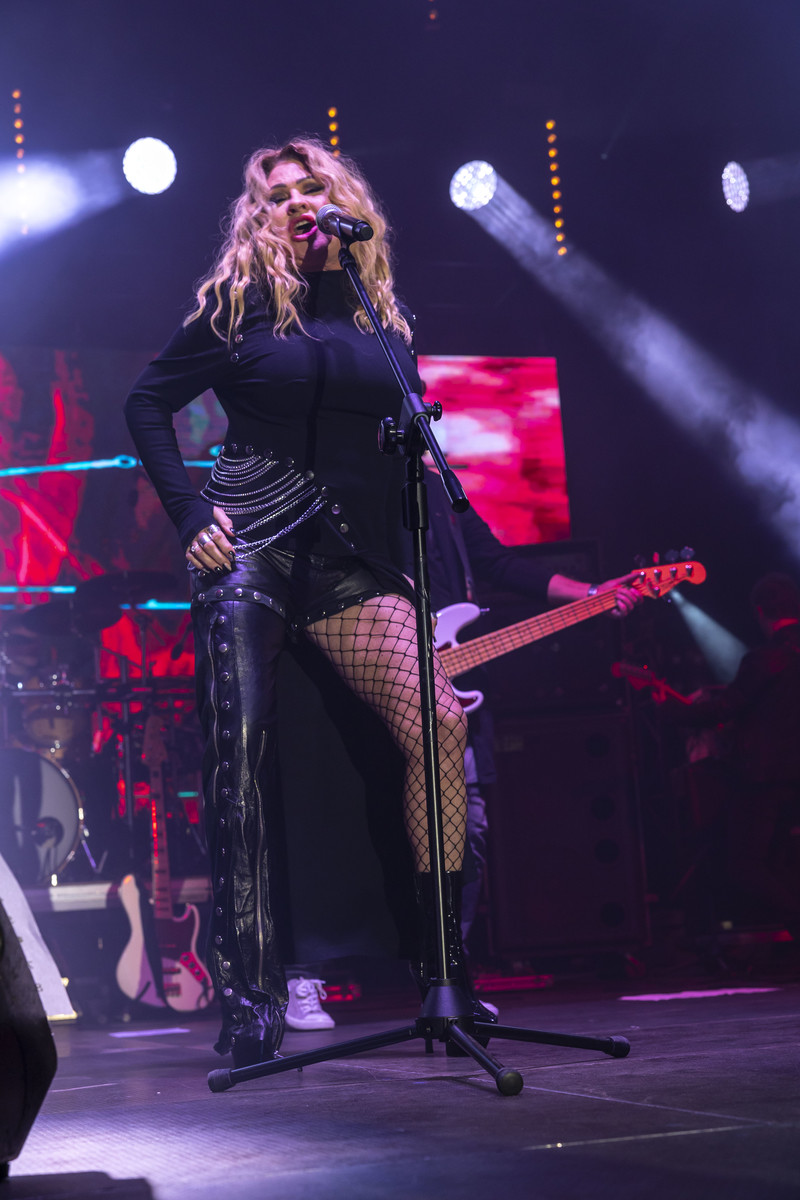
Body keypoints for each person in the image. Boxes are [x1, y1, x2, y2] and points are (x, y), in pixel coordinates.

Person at [124, 136, 485, 1068]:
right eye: (276, 194)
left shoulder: (381, 318)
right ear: (260, 217)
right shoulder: (238, 306)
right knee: (242, 758)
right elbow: (146, 403)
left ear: (341, 200)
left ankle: (445, 973)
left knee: (439, 723)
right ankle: (252, 995)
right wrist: (189, 511)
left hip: (346, 560)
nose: (294, 203)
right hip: (248, 544)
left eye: (309, 187)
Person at [661, 572, 800, 933]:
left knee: (743, 865)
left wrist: (671, 711)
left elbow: (726, 709)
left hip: (766, 778)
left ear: (760, 613)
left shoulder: (764, 659)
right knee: (780, 858)